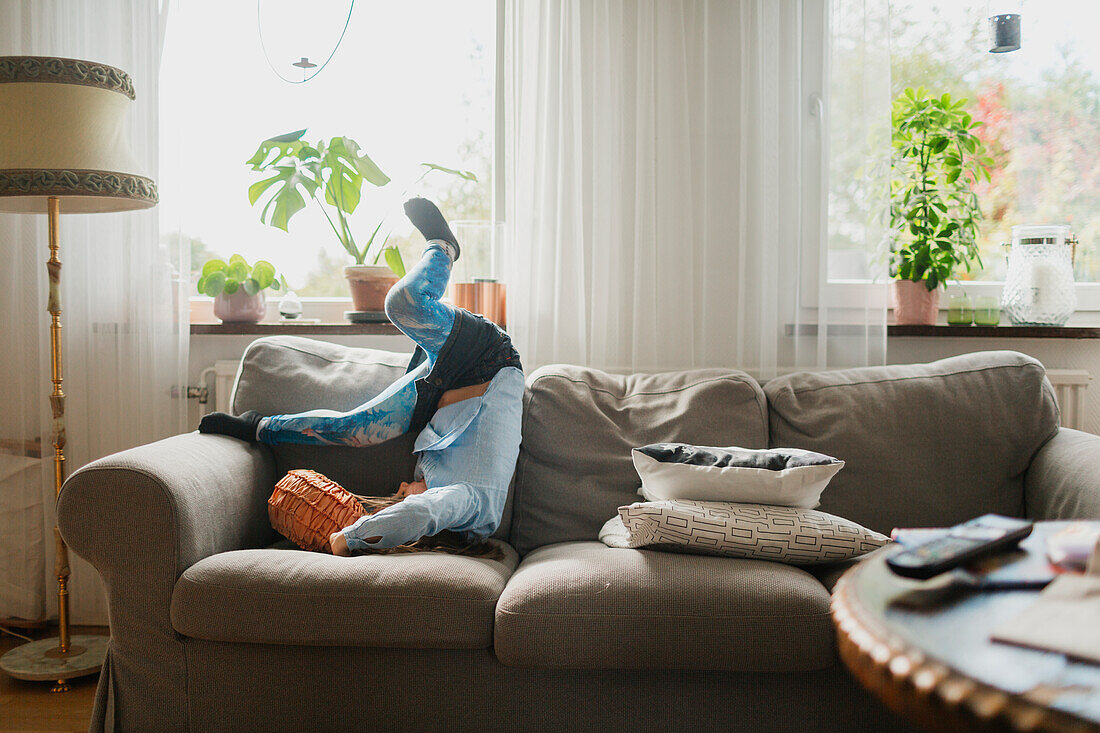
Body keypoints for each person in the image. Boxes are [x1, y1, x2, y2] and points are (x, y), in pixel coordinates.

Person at [199, 198, 524, 556]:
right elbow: (421, 511)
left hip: (439, 390)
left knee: (354, 430)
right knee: (403, 304)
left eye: (399, 491)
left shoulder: (448, 500)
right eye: (401, 494)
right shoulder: (471, 510)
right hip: (487, 361)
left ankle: (257, 426)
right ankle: (443, 248)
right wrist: (348, 540)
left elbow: (419, 507)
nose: (403, 483)